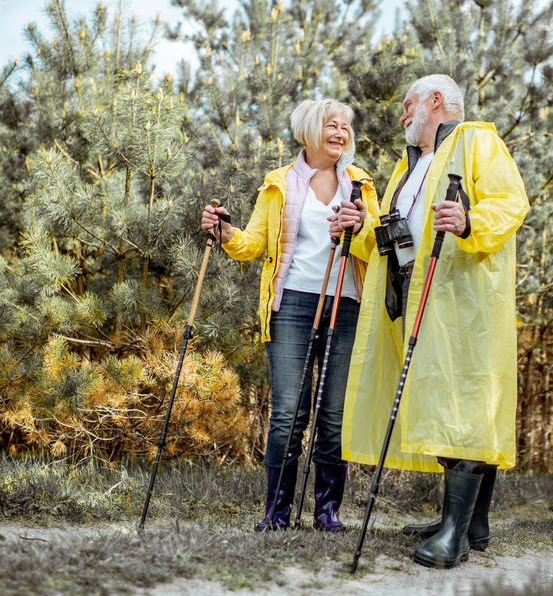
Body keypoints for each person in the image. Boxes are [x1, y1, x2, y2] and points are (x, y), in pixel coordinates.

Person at [341, 75, 529, 568]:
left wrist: (470, 223)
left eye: (408, 106)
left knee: (462, 403)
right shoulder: (409, 166)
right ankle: (471, 523)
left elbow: (511, 202)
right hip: (416, 299)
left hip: (462, 303)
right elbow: (396, 237)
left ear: (436, 102)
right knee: (446, 401)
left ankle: (455, 534)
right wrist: (361, 227)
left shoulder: (476, 139)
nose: (403, 116)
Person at [202, 99, 379, 532]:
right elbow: (253, 243)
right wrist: (225, 232)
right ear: (310, 130)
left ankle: (327, 512)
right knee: (288, 413)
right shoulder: (279, 184)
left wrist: (355, 232)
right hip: (293, 306)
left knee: (333, 414)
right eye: (331, 125)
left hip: (346, 302)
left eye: (345, 127)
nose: (341, 133)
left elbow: (377, 247)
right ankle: (276, 513)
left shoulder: (361, 185)